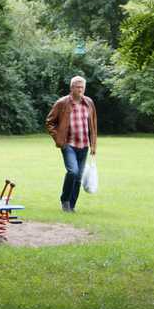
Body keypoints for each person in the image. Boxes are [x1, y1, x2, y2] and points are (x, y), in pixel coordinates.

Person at [45, 75, 98, 213]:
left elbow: (93, 125)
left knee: (78, 177)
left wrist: (93, 145)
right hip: (68, 144)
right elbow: (50, 122)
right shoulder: (62, 103)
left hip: (84, 145)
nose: (80, 90)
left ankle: (71, 206)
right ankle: (65, 201)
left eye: (82, 87)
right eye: (77, 87)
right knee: (73, 172)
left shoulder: (89, 103)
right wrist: (59, 139)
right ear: (71, 88)